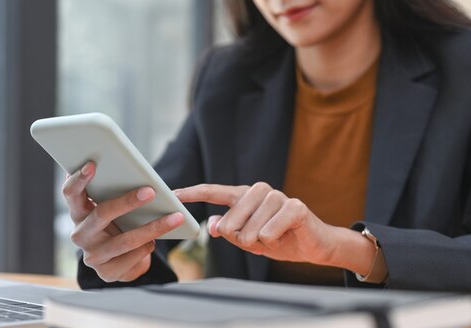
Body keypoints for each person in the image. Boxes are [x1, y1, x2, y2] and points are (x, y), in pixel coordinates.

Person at [63, 0, 471, 291]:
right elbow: (156, 215)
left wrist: (342, 248)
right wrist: (124, 257)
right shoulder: (229, 77)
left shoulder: (462, 68)